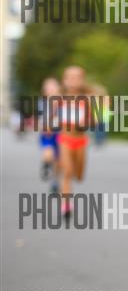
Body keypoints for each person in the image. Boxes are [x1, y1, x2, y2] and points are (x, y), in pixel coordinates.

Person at [58, 66, 92, 216]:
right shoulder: (59, 99)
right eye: (70, 77)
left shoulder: (86, 100)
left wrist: (86, 122)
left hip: (80, 141)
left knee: (78, 176)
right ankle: (66, 204)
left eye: (77, 77)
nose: (73, 80)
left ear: (82, 80)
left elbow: (92, 120)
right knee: (67, 172)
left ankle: (73, 180)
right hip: (65, 139)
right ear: (64, 81)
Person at [38, 77, 62, 193]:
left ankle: (55, 182)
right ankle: (46, 165)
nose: (51, 89)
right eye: (48, 87)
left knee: (58, 161)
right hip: (48, 134)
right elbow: (41, 118)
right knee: (48, 154)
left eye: (53, 87)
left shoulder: (64, 101)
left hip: (60, 133)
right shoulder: (43, 103)